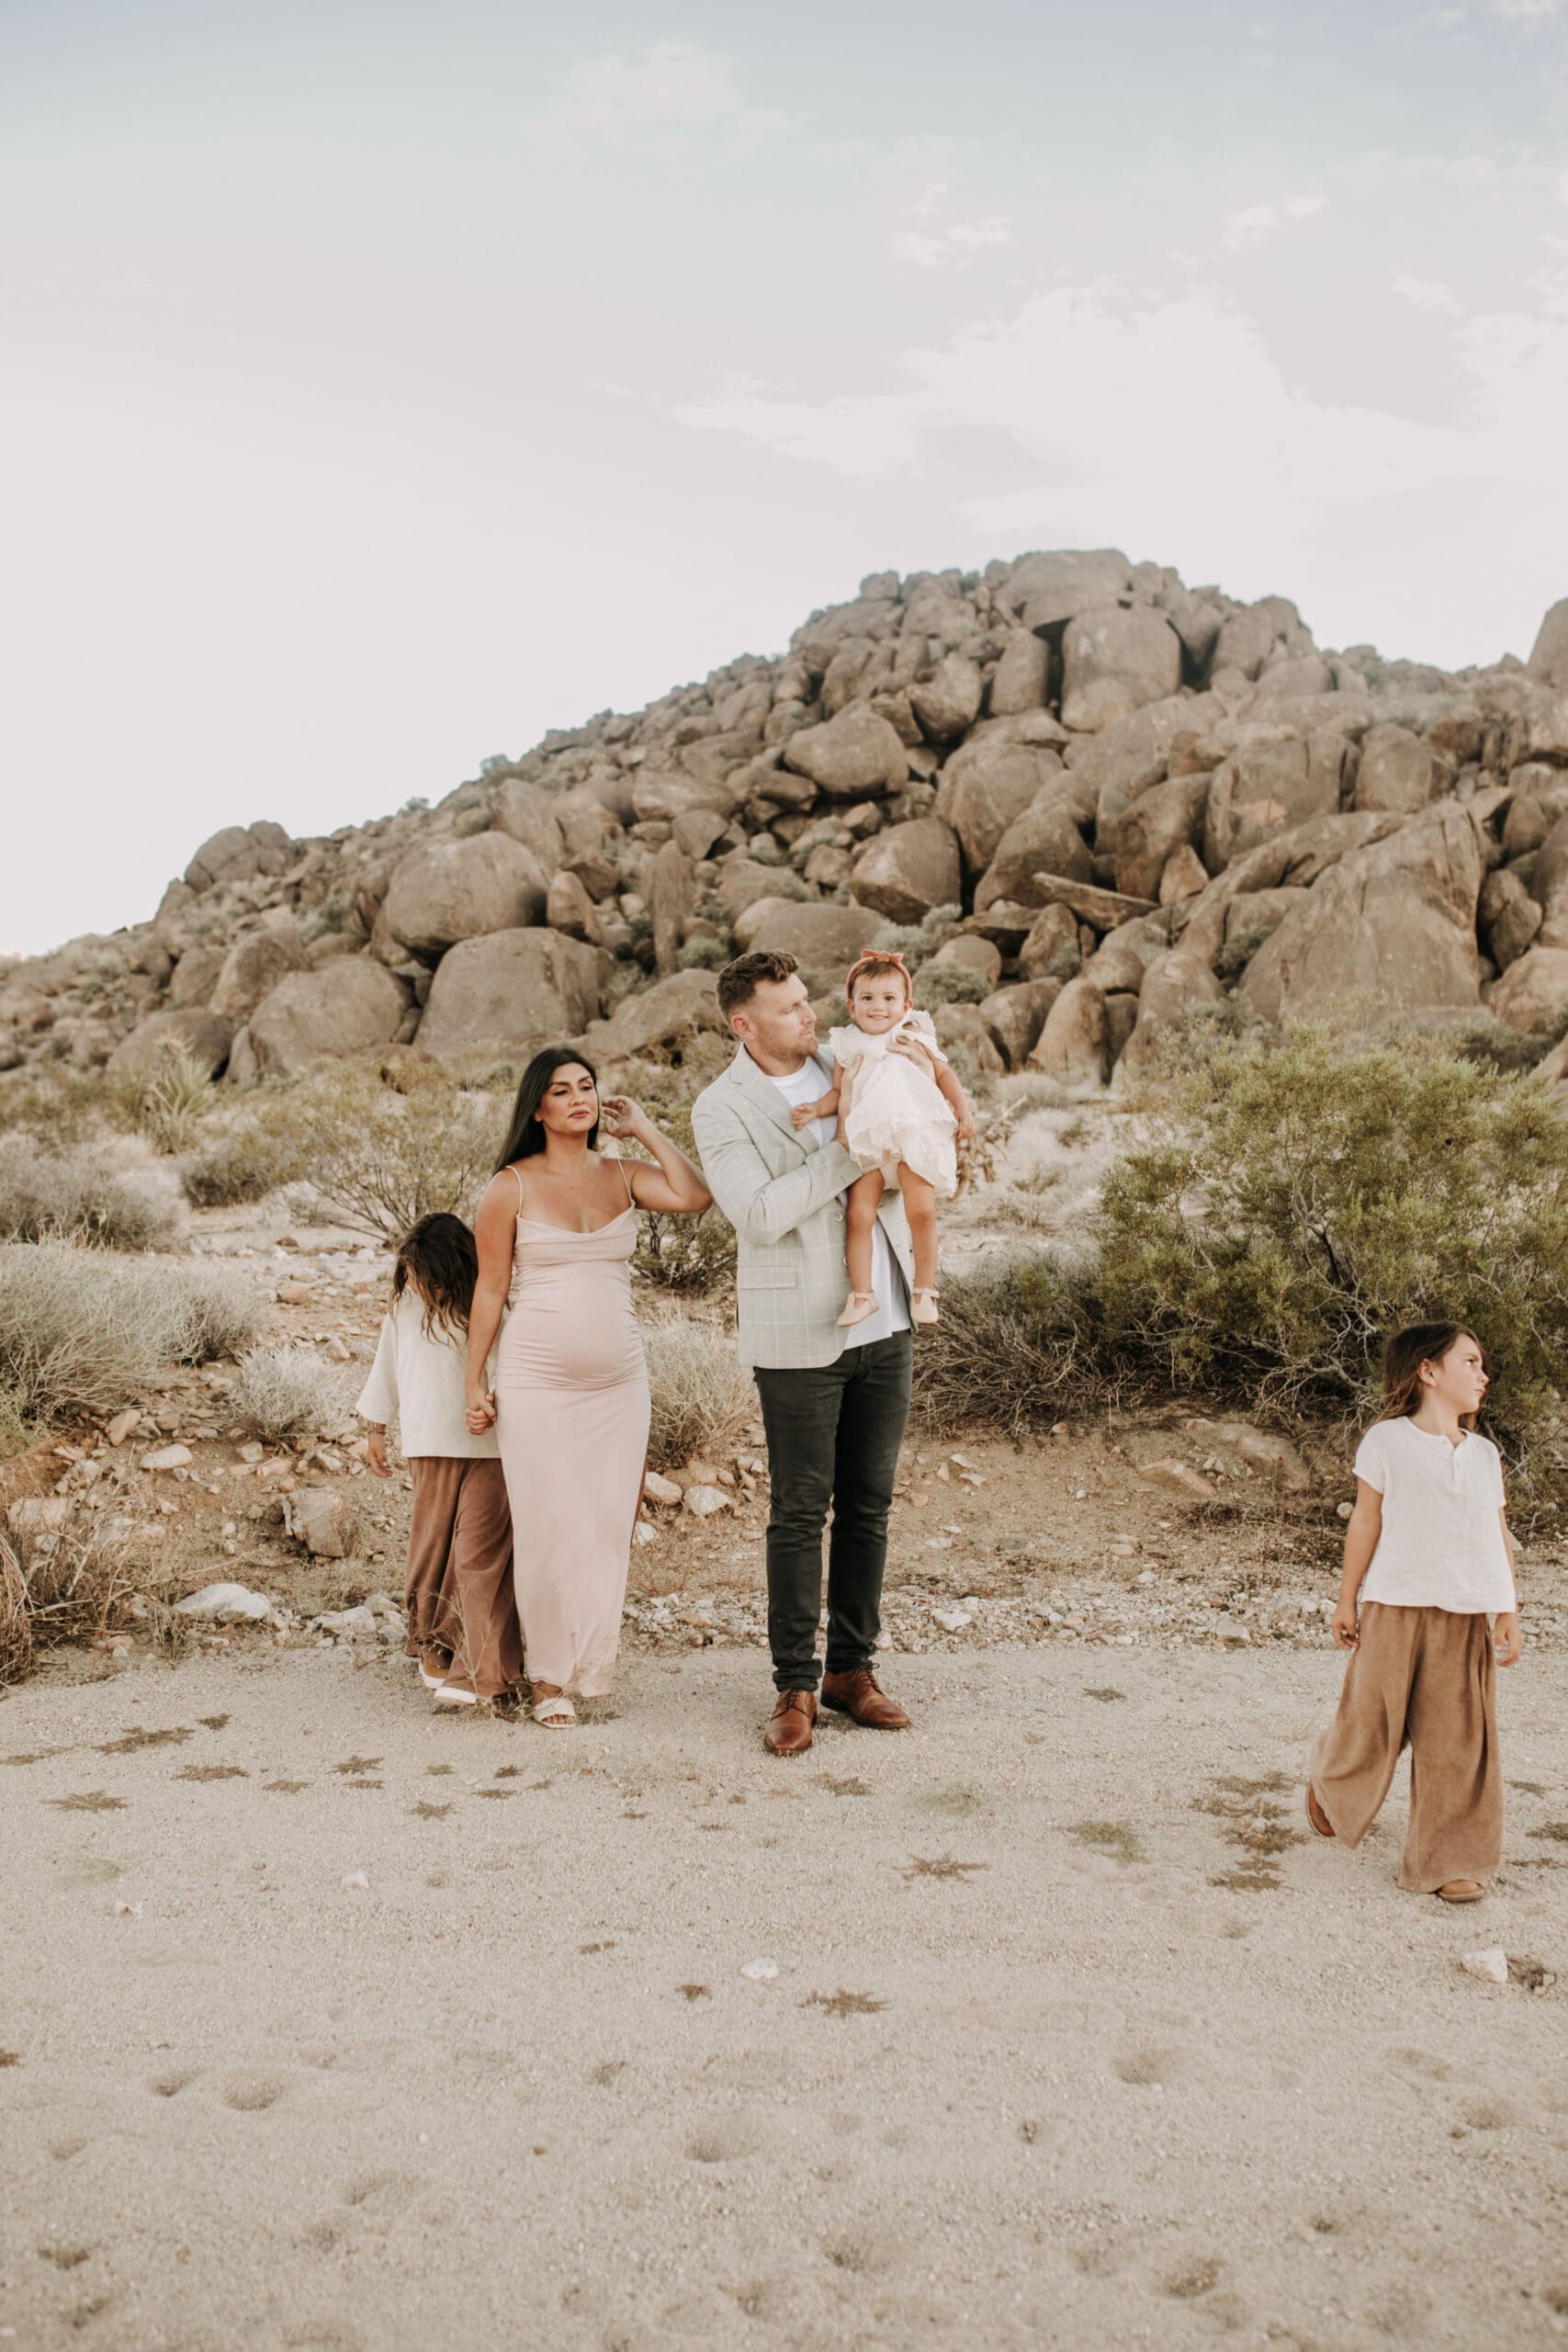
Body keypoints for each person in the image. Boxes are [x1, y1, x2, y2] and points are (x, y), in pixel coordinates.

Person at [691, 948, 919, 1757]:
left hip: (883, 1316)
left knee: (868, 1506)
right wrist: (850, 1155)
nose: (809, 1015)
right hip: (795, 1332)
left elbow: (903, 1153)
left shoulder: (852, 1057)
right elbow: (758, 1214)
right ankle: (794, 1683)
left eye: (805, 1001)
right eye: (788, 1009)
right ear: (742, 1023)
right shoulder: (719, 1108)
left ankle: (851, 1672)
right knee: (797, 1512)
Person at [464, 1047, 712, 1727]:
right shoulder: (508, 1187)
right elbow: (489, 1291)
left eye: (586, 1086)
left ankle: (589, 1667)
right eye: (560, 1090)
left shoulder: (625, 1174)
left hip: (618, 1380)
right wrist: (473, 1381)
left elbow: (693, 1195)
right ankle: (547, 1680)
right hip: (535, 1379)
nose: (577, 1097)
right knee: (548, 1526)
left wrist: (646, 1130)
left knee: (605, 1527)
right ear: (536, 1107)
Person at [1306, 1322, 1524, 1903]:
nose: (1483, 1375)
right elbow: (1366, 1521)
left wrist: (1508, 1609)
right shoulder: (1386, 1442)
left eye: (1482, 1365)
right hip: (1394, 1603)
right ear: (1428, 1371)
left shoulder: (1484, 1454)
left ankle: (1449, 1859)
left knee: (1459, 1741)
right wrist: (1347, 1598)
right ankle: (1330, 1785)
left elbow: (1496, 1531)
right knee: (1372, 1725)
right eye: (1470, 1363)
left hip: (1466, 1612)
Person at [357, 1213, 522, 1708]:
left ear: (450, 1270)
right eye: (409, 1274)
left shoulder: (490, 1303)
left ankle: (474, 1659)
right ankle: (432, 1640)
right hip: (429, 1444)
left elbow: (509, 1368)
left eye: (424, 1276)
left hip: (491, 1448)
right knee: (431, 1547)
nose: (416, 1284)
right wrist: (375, 1428)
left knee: (477, 1553)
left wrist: (491, 1406)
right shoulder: (403, 1307)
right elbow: (386, 1366)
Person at [788, 949, 975, 1329]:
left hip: (911, 1137)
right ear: (851, 1006)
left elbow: (944, 1075)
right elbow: (840, 1093)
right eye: (868, 999)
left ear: (906, 1004)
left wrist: (963, 1109)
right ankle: (862, 1295)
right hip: (870, 1143)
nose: (878, 1007)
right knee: (858, 1215)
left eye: (889, 999)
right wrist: (816, 1109)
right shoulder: (847, 1046)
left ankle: (924, 1290)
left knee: (920, 1210)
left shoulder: (912, 1033)